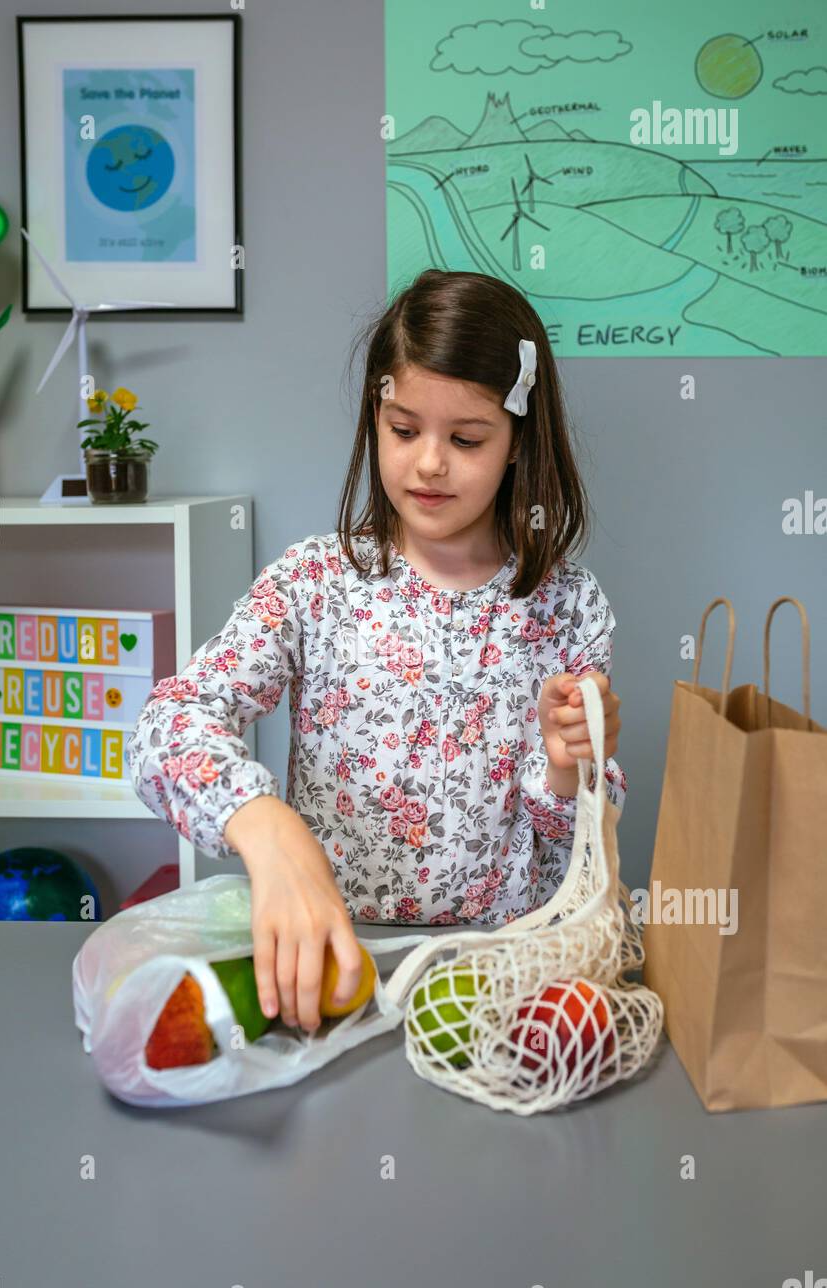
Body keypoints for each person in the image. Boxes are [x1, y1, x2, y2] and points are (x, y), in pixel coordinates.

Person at [127, 269, 625, 1036]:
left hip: (501, 975)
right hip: (335, 970)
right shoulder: (311, 583)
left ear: (519, 441)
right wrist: (265, 825)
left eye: (465, 439)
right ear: (374, 418)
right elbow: (165, 729)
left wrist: (568, 770)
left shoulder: (567, 605)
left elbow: (584, 846)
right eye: (402, 430)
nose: (428, 463)